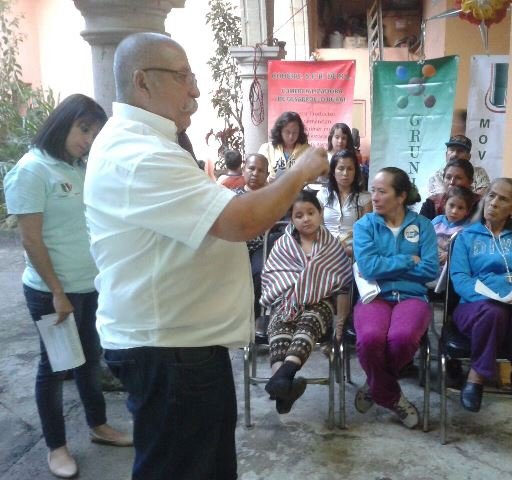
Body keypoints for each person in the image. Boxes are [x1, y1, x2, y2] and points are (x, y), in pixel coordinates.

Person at [83, 33, 328, 480]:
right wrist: (300, 172)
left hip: (181, 345)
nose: (195, 90)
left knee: (205, 464)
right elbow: (241, 222)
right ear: (143, 81)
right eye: (182, 77)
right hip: (169, 350)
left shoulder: (150, 143)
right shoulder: (139, 154)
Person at [3, 94, 132, 479]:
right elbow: (31, 240)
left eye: (94, 133)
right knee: (56, 367)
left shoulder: (77, 168)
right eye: (83, 129)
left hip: (88, 286)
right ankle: (56, 446)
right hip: (52, 292)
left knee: (90, 360)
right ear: (63, 123)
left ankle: (98, 425)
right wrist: (57, 292)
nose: (88, 140)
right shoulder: (32, 170)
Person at [450, 178, 512, 415]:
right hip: (476, 305)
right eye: (491, 195)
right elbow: (460, 278)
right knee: (493, 312)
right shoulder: (466, 237)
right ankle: (476, 377)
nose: (494, 202)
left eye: (503, 199)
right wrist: (487, 297)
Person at [352, 167, 439, 429]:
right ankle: (391, 396)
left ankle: (374, 385)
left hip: (413, 296)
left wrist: (386, 265)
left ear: (401, 196)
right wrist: (408, 260)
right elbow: (368, 268)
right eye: (373, 191)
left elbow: (430, 269)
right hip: (375, 294)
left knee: (403, 338)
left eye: (382, 191)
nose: (374, 197)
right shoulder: (364, 225)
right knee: (370, 339)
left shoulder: (423, 226)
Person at [261, 191, 352, 414]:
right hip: (286, 301)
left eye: (311, 213)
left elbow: (342, 282)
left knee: (308, 324)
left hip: (320, 302)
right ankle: (282, 385)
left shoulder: (331, 245)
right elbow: (273, 276)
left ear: (320, 213)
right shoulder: (283, 244)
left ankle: (281, 379)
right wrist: (293, 293)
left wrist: (341, 321)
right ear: (292, 219)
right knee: (279, 327)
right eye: (299, 215)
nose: (306, 219)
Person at [233, 153, 270, 321]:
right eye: (252, 168)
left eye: (261, 170)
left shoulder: (273, 197)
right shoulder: (232, 197)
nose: (255, 173)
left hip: (261, 246)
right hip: (235, 245)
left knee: (259, 271)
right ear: (243, 170)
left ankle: (254, 318)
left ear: (267, 174)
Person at [316, 149, 372, 256]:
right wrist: (329, 246)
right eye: (341, 168)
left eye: (350, 169)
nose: (345, 173)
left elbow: (365, 232)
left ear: (355, 172)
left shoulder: (365, 198)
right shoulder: (322, 195)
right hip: (324, 247)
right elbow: (318, 227)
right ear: (333, 172)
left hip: (353, 249)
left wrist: (348, 247)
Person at [430, 185, 475, 285]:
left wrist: (449, 256)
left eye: (460, 208)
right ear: (445, 204)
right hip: (432, 259)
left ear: (467, 211)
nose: (454, 211)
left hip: (451, 267)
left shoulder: (467, 229)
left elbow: (468, 252)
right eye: (451, 205)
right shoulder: (436, 221)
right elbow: (425, 240)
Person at [426, 135, 490, 197]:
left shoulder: (479, 172)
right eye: (452, 150)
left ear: (469, 156)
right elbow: (440, 201)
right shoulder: (436, 176)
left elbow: (482, 198)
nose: (455, 154)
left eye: (460, 151)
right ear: (446, 154)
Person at [259, 111, 310, 182]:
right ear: (280, 131)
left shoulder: (308, 150)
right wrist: (268, 179)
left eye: (295, 132)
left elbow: (312, 175)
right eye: (287, 132)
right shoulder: (267, 148)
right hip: (272, 187)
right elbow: (259, 173)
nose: (291, 136)